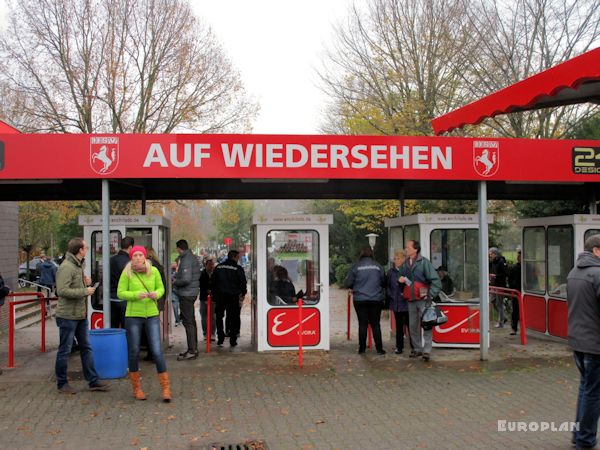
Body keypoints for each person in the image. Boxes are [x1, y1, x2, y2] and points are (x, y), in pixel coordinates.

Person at [54, 237, 110, 394]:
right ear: (79, 250)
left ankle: (93, 380)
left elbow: (71, 286)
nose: (87, 249)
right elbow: (62, 291)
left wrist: (85, 283)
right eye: (85, 247)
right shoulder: (67, 267)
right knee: (65, 349)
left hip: (80, 314)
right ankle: (62, 383)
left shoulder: (78, 265)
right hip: (68, 316)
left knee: (86, 347)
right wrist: (85, 291)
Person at [117, 245, 171, 402]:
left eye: (140, 255)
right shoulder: (127, 272)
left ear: (145, 257)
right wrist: (135, 295)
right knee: (133, 351)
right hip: (133, 316)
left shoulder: (153, 271)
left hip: (152, 315)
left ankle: (166, 388)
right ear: (131, 258)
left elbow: (161, 288)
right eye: (135, 255)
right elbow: (120, 292)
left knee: (157, 351)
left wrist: (157, 293)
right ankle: (137, 388)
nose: (138, 258)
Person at [567, 235, 600, 450]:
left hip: (578, 340)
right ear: (596, 250)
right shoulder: (597, 274)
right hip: (595, 343)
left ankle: (578, 434)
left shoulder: (574, 272)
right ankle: (585, 439)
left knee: (585, 389)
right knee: (593, 392)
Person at [399, 240, 442, 362]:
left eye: (407, 247)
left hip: (423, 299)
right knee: (412, 325)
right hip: (411, 299)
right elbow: (400, 278)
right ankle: (417, 349)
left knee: (427, 323)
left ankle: (427, 351)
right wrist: (400, 280)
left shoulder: (424, 262)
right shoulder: (405, 263)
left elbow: (436, 281)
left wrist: (430, 294)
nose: (405, 249)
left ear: (415, 249)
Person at [345, 247, 386, 355]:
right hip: (376, 299)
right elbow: (384, 281)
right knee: (376, 324)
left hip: (360, 299)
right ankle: (379, 349)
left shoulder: (356, 266)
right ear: (372, 254)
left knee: (362, 324)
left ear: (361, 255)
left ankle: (362, 349)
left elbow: (348, 283)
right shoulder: (378, 266)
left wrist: (355, 286)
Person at [212, 250, 247, 347]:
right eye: (238, 257)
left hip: (220, 296)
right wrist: (243, 293)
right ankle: (233, 339)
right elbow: (242, 282)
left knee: (219, 317)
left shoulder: (218, 267)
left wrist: (214, 295)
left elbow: (213, 282)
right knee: (234, 317)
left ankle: (220, 337)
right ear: (235, 257)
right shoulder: (237, 268)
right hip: (233, 296)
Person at [173, 239, 201, 360]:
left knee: (188, 322)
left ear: (179, 248)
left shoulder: (186, 259)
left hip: (186, 293)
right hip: (191, 292)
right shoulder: (191, 257)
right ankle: (193, 349)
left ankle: (192, 350)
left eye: (177, 249)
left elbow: (186, 279)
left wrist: (175, 281)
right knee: (191, 321)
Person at [387, 250, 414, 355]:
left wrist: (406, 281)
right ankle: (399, 347)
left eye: (398, 258)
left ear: (404, 259)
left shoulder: (409, 270)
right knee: (398, 327)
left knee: (410, 326)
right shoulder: (391, 272)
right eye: (395, 258)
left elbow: (413, 285)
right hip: (396, 303)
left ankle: (414, 347)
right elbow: (388, 286)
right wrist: (391, 295)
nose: (396, 261)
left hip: (407, 302)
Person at [109, 236, 134, 328]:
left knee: (113, 327)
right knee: (126, 327)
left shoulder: (111, 260)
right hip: (124, 298)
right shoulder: (130, 262)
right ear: (130, 247)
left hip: (111, 298)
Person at [489, 247, 508, 328]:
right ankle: (504, 317)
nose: (490, 256)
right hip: (493, 285)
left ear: (495, 254)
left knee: (499, 303)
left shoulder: (501, 262)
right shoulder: (493, 262)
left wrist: (495, 276)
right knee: (492, 301)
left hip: (500, 285)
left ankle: (501, 322)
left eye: (491, 254)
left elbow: (505, 274)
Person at [199, 257, 217, 340]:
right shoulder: (202, 274)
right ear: (205, 265)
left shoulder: (216, 274)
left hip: (214, 298)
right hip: (203, 298)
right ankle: (205, 333)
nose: (211, 266)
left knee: (213, 316)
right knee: (204, 316)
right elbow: (201, 286)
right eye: (209, 265)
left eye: (212, 265)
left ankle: (213, 333)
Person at [507, 251, 522, 336]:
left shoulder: (528, 267)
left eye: (520, 257)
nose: (518, 258)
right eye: (518, 256)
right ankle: (514, 328)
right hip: (516, 292)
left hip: (525, 292)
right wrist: (511, 288)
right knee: (515, 311)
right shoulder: (514, 268)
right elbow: (509, 279)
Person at [170, 261, 181, 326]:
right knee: (175, 307)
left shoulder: (181, 271)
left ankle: (180, 319)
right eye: (172, 263)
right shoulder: (170, 270)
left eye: (175, 263)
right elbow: (170, 278)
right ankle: (177, 320)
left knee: (182, 308)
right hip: (173, 292)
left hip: (181, 292)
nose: (173, 264)